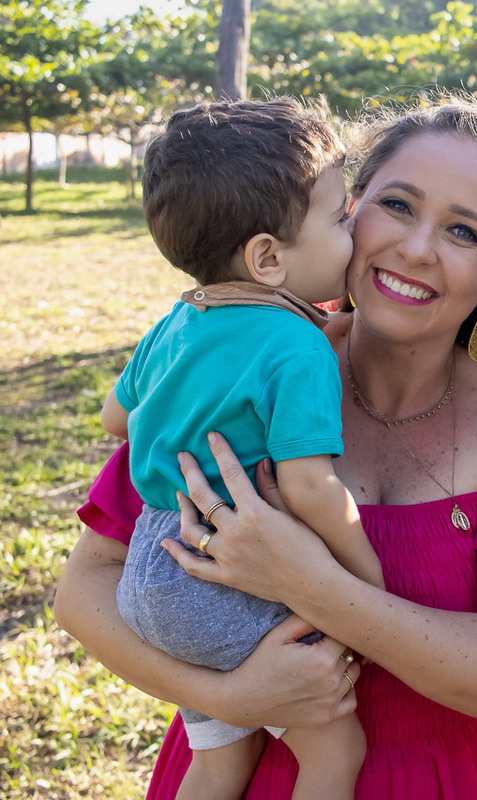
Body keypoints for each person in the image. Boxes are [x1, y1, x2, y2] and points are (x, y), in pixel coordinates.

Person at [55, 95, 477, 799]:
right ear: (347, 210)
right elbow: (83, 590)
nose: (415, 248)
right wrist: (230, 698)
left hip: (449, 779)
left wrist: (308, 582)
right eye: (397, 206)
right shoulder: (244, 368)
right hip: (242, 770)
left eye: (464, 232)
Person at [97, 96, 383, 800]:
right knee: (336, 750)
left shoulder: (178, 320)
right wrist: (368, 586)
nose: (354, 227)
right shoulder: (296, 345)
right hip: (219, 583)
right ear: (268, 257)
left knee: (221, 762)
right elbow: (312, 487)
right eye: (341, 216)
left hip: (151, 566)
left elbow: (115, 417)